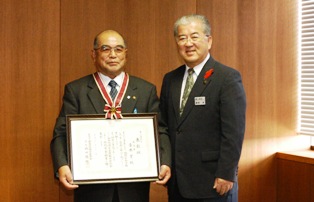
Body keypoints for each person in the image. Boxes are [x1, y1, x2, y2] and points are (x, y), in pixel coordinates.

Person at [50, 30, 171, 202]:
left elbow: (160, 130)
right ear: (94, 54)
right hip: (91, 190)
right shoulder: (76, 90)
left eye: (118, 49)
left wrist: (165, 161)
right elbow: (60, 133)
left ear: (126, 54)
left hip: (134, 190)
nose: (113, 55)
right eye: (105, 49)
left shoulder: (145, 90)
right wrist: (62, 166)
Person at [159, 14, 246, 202]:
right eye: (182, 38)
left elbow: (234, 132)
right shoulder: (170, 79)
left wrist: (226, 172)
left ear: (209, 40)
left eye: (194, 36)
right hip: (177, 183)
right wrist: (165, 161)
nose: (188, 43)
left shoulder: (227, 78)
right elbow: (163, 125)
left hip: (213, 181)